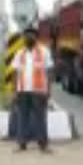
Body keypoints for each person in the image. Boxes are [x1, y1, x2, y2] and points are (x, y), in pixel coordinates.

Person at [12, 25, 54, 153]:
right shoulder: (20, 53)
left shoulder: (44, 51)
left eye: (32, 34)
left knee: (40, 118)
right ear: (24, 38)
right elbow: (15, 73)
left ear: (36, 37)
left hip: (39, 91)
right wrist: (14, 91)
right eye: (26, 35)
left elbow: (49, 71)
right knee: (22, 117)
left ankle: (43, 145)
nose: (29, 37)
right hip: (23, 91)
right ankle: (21, 144)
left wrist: (49, 90)